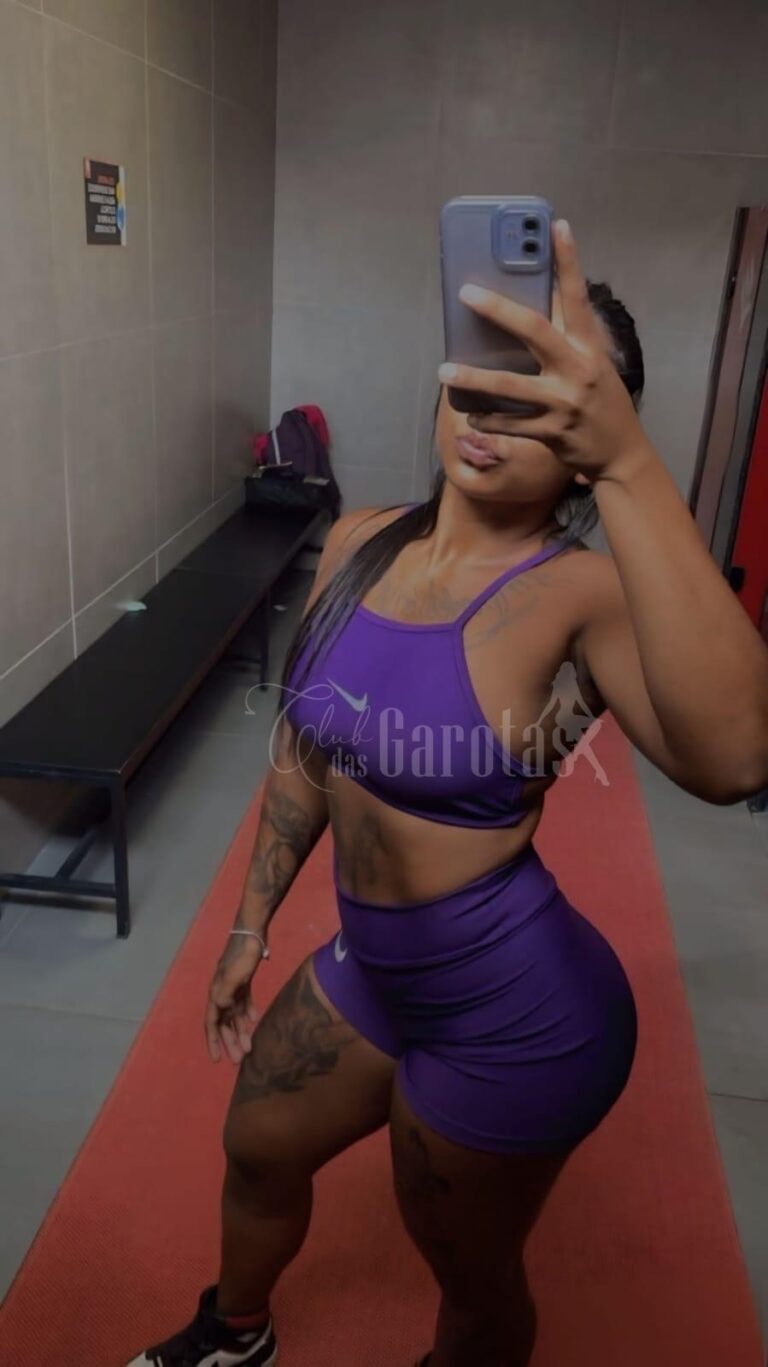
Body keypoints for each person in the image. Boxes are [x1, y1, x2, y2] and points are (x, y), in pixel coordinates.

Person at [127, 221, 768, 1367]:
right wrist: (247, 922)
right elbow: (304, 749)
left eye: (545, 397)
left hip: (517, 1014)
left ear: (587, 441)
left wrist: (632, 466)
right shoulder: (360, 541)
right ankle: (235, 1334)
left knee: (468, 1273)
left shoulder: (583, 596)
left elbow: (736, 760)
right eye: (485, 370)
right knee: (259, 1144)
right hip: (374, 968)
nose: (494, 409)